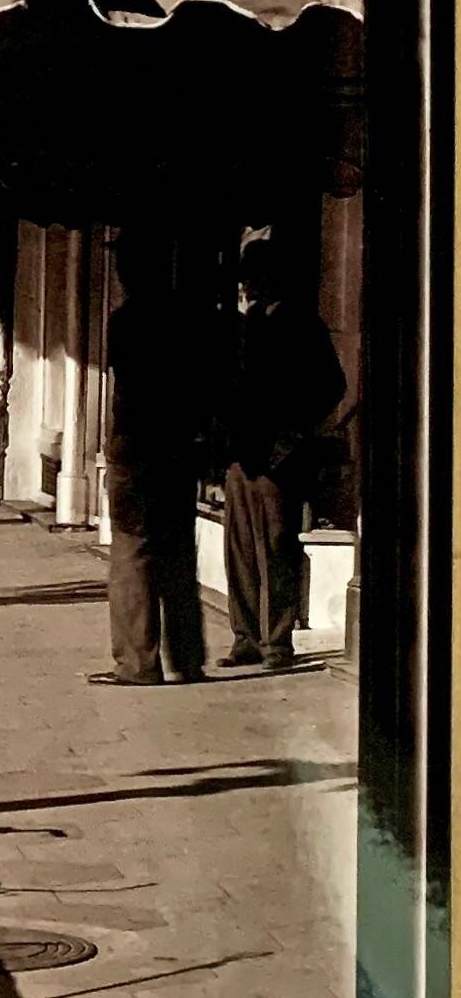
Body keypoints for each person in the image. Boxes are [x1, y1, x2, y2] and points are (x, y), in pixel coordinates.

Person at [220, 237, 347, 672]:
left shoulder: (303, 324)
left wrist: (295, 431)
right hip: (241, 454)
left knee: (274, 550)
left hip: (278, 457)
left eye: (256, 278)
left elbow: (333, 385)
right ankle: (246, 638)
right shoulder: (246, 325)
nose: (250, 286)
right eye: (247, 279)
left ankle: (276, 642)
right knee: (238, 550)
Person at [89, 232, 207, 687]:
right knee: (177, 554)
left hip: (137, 452)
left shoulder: (127, 321)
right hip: (178, 450)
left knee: (132, 554)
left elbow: (129, 386)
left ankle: (138, 662)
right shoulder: (186, 317)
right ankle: (187, 658)